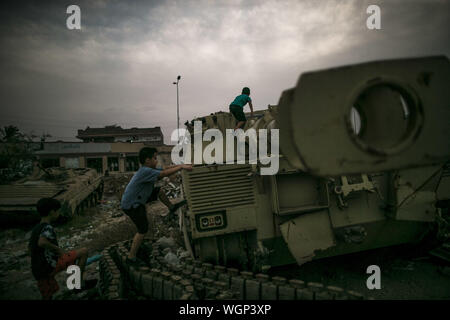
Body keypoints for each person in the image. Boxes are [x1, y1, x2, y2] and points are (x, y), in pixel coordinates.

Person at [120, 147, 192, 266]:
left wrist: (182, 164)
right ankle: (131, 257)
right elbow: (163, 174)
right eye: (154, 158)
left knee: (158, 191)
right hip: (133, 204)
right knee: (142, 230)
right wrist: (182, 167)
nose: (156, 161)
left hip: (138, 198)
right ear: (147, 160)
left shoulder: (148, 169)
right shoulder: (145, 171)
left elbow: (164, 168)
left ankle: (171, 207)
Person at [28, 198, 94, 300]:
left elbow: (32, 248)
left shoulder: (36, 228)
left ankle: (74, 284)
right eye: (58, 211)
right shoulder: (47, 227)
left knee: (48, 295)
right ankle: (77, 285)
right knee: (83, 252)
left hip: (38, 269)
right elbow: (42, 242)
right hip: (49, 266)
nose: (59, 213)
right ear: (52, 212)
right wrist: (58, 250)